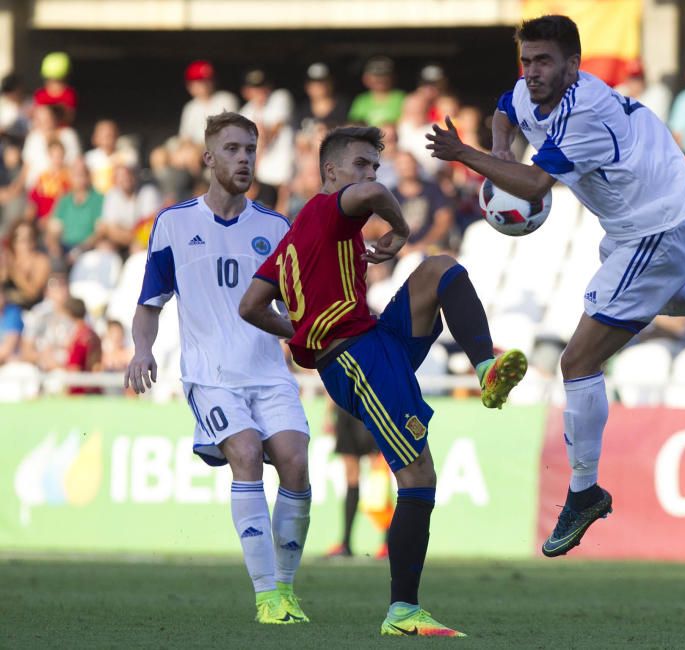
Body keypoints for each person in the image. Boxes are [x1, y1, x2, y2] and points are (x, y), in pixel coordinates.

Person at [426, 15, 685, 558]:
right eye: (526, 61)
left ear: (574, 66)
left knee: (577, 362)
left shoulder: (585, 114)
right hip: (637, 232)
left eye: (544, 62)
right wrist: (499, 147)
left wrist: (467, 156)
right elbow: (505, 110)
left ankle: (584, 492)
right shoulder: (530, 92)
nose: (531, 72)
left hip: (657, 229)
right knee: (647, 297)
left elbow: (534, 184)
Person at [239, 125, 528, 637]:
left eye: (375, 165)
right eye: (360, 164)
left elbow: (252, 305)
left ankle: (485, 370)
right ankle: (402, 612)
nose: (371, 175)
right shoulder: (326, 210)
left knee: (439, 269)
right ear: (331, 172)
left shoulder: (295, 239)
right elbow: (373, 197)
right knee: (418, 475)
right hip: (353, 358)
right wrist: (399, 231)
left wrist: (299, 331)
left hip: (372, 338)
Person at [125, 112, 312, 625]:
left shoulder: (276, 227)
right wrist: (142, 349)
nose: (244, 158)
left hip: (268, 374)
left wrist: (302, 333)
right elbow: (150, 303)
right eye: (232, 149)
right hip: (210, 375)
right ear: (208, 158)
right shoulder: (173, 223)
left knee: (296, 461)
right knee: (247, 452)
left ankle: (287, 591)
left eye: (250, 149)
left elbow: (294, 307)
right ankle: (266, 595)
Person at [324, 403, 384, 559]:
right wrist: (328, 414)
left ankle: (388, 542)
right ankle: (346, 543)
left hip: (370, 407)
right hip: (345, 408)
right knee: (351, 477)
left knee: (379, 475)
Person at [240, 69, 295, 207]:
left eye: (262, 87)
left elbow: (275, 129)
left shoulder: (280, 97)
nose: (260, 92)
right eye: (255, 88)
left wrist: (262, 135)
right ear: (246, 91)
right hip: (261, 178)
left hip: (288, 176)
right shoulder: (244, 113)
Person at [48, 159, 103, 260]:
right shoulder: (64, 200)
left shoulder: (98, 199)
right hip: (65, 247)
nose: (78, 179)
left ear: (88, 177)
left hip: (88, 248)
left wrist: (81, 249)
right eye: (75, 175)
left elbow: (100, 231)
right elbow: (54, 229)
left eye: (82, 175)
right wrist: (54, 246)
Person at [178, 61, 239, 146]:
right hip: (193, 148)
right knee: (159, 155)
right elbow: (185, 138)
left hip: (218, 147)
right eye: (200, 81)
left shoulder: (226, 99)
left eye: (207, 80)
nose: (204, 85)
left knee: (191, 155)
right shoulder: (190, 107)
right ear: (189, 85)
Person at [348, 57, 406, 127]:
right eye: (376, 76)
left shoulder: (402, 98)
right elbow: (354, 124)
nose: (381, 79)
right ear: (366, 78)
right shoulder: (361, 100)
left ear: (393, 77)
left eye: (385, 75)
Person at [293, 63, 349, 133]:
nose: (318, 86)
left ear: (331, 83)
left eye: (322, 82)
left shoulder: (344, 106)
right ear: (307, 86)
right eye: (314, 82)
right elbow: (298, 137)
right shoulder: (302, 109)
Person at [34, 52, 78, 125]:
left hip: (62, 129)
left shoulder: (69, 94)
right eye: (51, 80)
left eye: (58, 81)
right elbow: (37, 116)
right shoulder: (40, 94)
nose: (54, 85)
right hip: (43, 129)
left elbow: (70, 117)